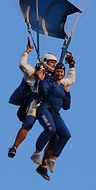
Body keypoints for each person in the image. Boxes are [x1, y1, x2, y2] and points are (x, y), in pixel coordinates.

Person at [7, 42, 55, 158]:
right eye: (52, 62)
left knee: (53, 130)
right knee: (28, 123)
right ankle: (15, 147)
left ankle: (43, 157)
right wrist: (27, 52)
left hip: (47, 105)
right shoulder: (33, 73)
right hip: (35, 102)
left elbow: (67, 82)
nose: (54, 65)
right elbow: (22, 65)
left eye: (54, 63)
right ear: (45, 61)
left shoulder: (53, 78)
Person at [34, 51, 75, 180]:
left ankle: (53, 159)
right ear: (54, 72)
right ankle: (37, 152)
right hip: (45, 109)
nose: (60, 74)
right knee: (51, 129)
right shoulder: (49, 80)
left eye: (62, 72)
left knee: (65, 134)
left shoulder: (63, 85)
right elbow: (43, 92)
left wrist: (67, 94)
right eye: (58, 71)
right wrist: (41, 80)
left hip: (56, 114)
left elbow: (66, 107)